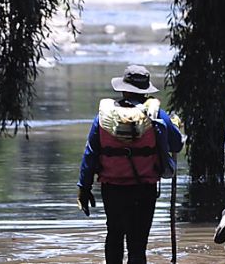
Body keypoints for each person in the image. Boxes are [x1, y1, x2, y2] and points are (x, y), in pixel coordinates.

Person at [77, 65, 184, 264]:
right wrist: (173, 125)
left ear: (124, 89)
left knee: (114, 234)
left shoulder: (104, 117)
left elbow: (90, 154)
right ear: (145, 90)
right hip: (144, 189)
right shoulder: (157, 115)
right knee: (137, 244)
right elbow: (177, 144)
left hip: (112, 188)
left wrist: (84, 188)